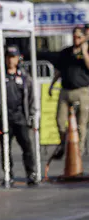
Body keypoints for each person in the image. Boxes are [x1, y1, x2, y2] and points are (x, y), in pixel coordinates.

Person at [0, 45, 36, 186]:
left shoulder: (23, 75)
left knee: (27, 145)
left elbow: (30, 95)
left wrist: (31, 113)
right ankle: (8, 174)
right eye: (9, 57)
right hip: (4, 118)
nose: (11, 61)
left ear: (18, 59)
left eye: (13, 57)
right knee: (5, 148)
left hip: (20, 116)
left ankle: (31, 173)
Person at [51, 27, 89, 157]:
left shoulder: (87, 51)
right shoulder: (66, 52)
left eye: (79, 37)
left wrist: (84, 53)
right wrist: (52, 85)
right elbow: (59, 70)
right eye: (74, 37)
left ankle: (79, 151)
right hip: (66, 90)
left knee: (81, 123)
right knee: (60, 120)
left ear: (84, 38)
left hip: (82, 90)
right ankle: (63, 144)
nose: (76, 39)